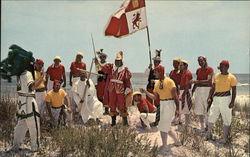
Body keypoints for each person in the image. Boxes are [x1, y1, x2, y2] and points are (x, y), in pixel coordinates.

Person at [140, 65, 181, 151]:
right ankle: (177, 141)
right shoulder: (157, 84)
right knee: (166, 126)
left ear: (161, 72)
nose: (154, 73)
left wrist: (177, 109)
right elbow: (154, 97)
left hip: (170, 104)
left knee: (162, 125)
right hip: (162, 104)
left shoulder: (170, 82)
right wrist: (145, 92)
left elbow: (175, 97)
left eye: (155, 72)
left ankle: (165, 146)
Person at [13, 65, 43, 152]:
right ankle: (35, 147)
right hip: (29, 100)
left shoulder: (19, 74)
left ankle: (16, 145)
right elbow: (32, 87)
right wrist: (41, 78)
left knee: (21, 124)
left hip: (21, 101)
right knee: (34, 125)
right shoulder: (27, 73)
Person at [206, 60, 237, 144]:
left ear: (227, 67)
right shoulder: (216, 76)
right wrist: (209, 97)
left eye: (222, 66)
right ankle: (208, 134)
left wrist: (232, 102)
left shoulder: (232, 77)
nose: (220, 68)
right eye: (220, 66)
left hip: (226, 99)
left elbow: (234, 91)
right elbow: (213, 87)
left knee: (226, 118)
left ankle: (225, 138)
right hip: (216, 98)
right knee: (212, 115)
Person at [102, 51, 132, 126]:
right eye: (116, 61)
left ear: (121, 61)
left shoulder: (125, 70)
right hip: (111, 90)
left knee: (122, 105)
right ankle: (113, 122)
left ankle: (125, 122)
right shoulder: (111, 68)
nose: (117, 62)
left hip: (120, 90)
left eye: (119, 61)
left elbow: (127, 82)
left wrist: (127, 91)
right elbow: (102, 69)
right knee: (112, 105)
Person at [190, 56, 214, 131]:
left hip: (207, 90)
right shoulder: (198, 70)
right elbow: (197, 81)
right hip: (199, 90)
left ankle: (208, 126)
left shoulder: (210, 69)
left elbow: (209, 81)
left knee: (207, 108)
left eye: (201, 61)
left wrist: (197, 82)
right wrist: (192, 91)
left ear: (205, 61)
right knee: (199, 109)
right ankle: (202, 126)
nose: (200, 63)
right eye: (199, 61)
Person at [144, 49, 162, 126]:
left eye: (157, 61)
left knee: (158, 104)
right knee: (149, 103)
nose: (156, 62)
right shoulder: (151, 69)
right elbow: (145, 75)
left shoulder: (161, 69)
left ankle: (157, 120)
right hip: (150, 88)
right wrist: (148, 67)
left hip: (157, 89)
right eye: (155, 61)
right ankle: (150, 118)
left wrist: (154, 81)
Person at [94, 49, 109, 115]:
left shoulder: (108, 64)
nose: (102, 58)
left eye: (103, 57)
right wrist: (96, 62)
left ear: (105, 58)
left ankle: (106, 110)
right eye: (101, 57)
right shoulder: (98, 64)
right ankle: (99, 109)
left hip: (106, 82)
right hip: (100, 81)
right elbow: (97, 69)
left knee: (106, 95)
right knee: (99, 96)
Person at [179, 60, 193, 127]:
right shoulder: (184, 73)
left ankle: (187, 125)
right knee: (184, 108)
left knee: (186, 109)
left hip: (186, 92)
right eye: (179, 65)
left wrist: (183, 94)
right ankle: (187, 124)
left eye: (181, 65)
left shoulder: (188, 73)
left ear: (185, 66)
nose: (179, 66)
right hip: (183, 91)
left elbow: (187, 85)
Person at [169, 58, 182, 125]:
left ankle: (179, 119)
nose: (174, 64)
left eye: (175, 63)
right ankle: (175, 118)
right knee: (174, 105)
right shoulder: (171, 72)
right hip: (173, 89)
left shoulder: (181, 72)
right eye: (173, 63)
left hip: (179, 89)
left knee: (179, 104)